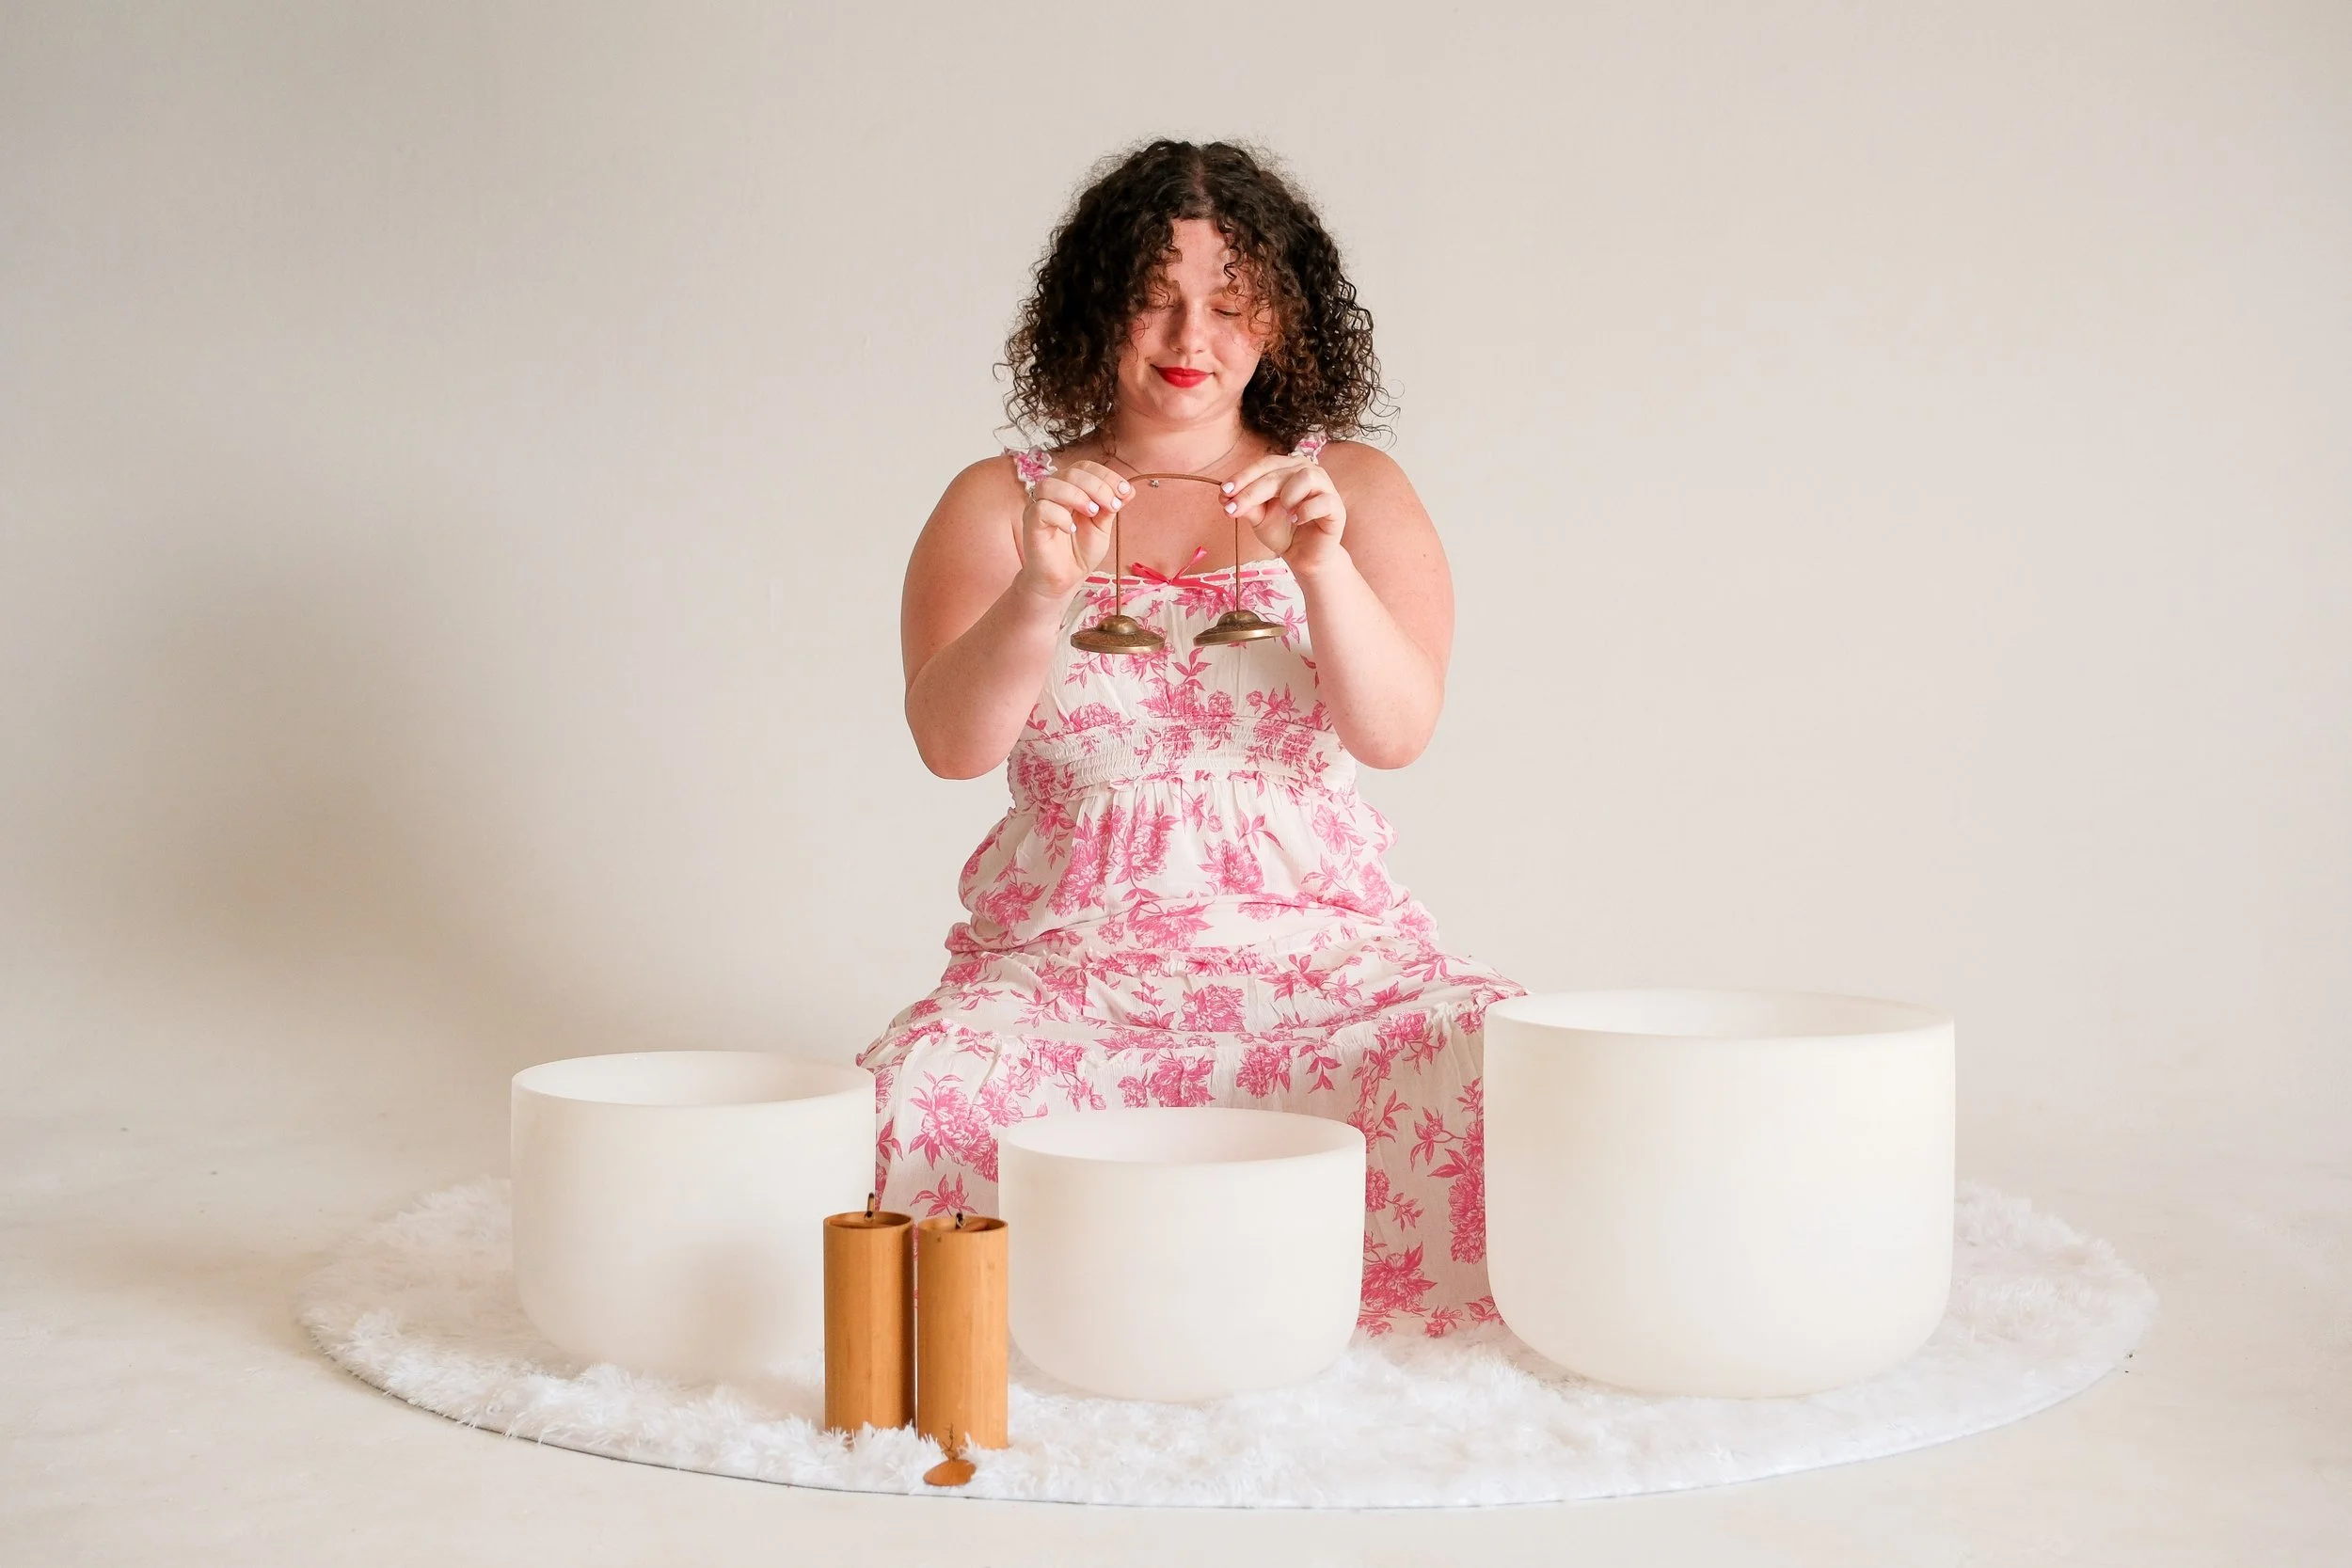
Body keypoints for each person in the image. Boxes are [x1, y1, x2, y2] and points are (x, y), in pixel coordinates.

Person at [859, 139, 1521, 1337]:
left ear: (1284, 317)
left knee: (1493, 1052)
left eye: (1229, 303)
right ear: (1093, 309)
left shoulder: (1352, 488)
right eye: (1152, 299)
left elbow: (1397, 731)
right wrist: (1037, 590)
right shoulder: (996, 500)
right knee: (921, 1085)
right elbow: (951, 746)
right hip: (1071, 962)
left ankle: (1364, 1322)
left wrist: (1319, 568)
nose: (1188, 338)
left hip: (1323, 959)